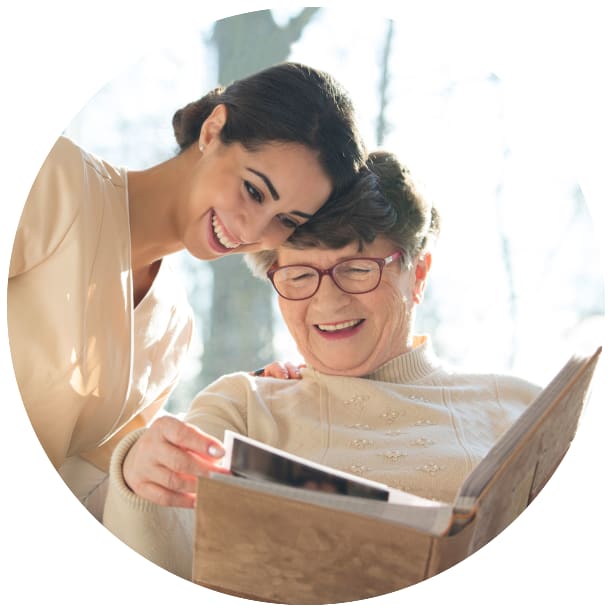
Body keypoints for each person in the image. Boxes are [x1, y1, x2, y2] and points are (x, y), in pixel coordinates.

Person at [102, 150, 541, 580]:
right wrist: (139, 479)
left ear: (418, 273)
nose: (328, 302)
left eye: (356, 269)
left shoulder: (523, 408)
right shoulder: (242, 406)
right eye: (298, 275)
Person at [7, 61, 366, 521]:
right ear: (214, 131)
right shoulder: (49, 181)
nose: (251, 229)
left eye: (287, 221)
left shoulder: (173, 329)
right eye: (254, 191)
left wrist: (249, 416)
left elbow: (90, 498)